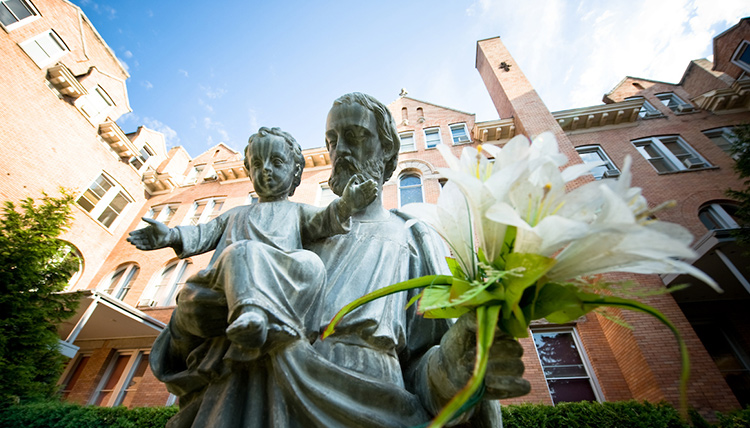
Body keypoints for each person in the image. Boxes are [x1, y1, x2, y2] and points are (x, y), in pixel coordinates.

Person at [148, 94, 530, 428]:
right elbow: (183, 356)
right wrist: (188, 323)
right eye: (332, 140)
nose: (340, 150)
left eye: (356, 136)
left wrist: (457, 365)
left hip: (367, 391)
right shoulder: (295, 233)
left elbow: (423, 370)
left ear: (387, 151)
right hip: (252, 397)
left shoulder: (410, 237)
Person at [128, 127, 377, 359]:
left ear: (295, 172)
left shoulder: (297, 212)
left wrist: (346, 205)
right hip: (224, 288)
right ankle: (249, 315)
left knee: (311, 262)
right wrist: (170, 235)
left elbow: (325, 220)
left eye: (277, 162)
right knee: (241, 252)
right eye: (257, 164)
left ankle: (262, 320)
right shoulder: (236, 214)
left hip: (279, 285)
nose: (266, 169)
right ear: (248, 171)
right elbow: (201, 234)